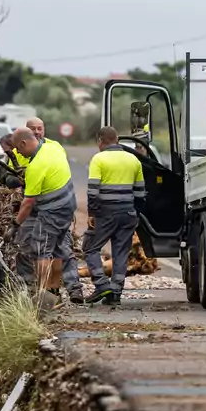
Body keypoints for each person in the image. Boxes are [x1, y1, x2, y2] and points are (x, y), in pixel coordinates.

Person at [10, 127, 84, 303]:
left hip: (53, 210)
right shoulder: (53, 148)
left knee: (40, 249)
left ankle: (42, 294)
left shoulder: (36, 166)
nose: (19, 153)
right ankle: (54, 291)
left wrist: (16, 224)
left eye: (19, 149)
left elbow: (28, 203)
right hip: (67, 206)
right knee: (57, 249)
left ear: (24, 143)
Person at [83, 126, 145, 305]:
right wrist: (136, 213)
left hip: (105, 213)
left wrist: (92, 213)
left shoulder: (99, 159)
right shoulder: (133, 159)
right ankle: (116, 293)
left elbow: (93, 190)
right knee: (121, 252)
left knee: (90, 247)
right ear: (117, 140)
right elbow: (140, 192)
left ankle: (102, 286)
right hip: (128, 213)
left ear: (99, 141)